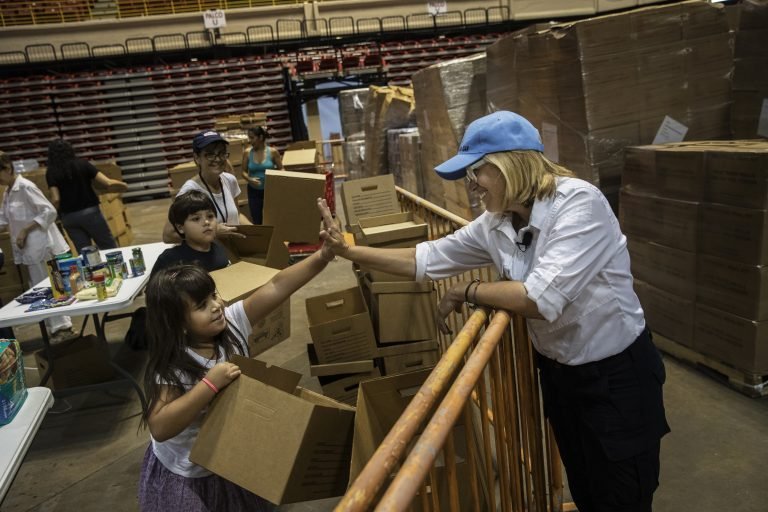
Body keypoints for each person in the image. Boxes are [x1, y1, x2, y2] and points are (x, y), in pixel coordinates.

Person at [318, 111, 670, 512]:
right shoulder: (497, 222)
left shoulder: (578, 204)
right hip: (561, 376)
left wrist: (470, 290)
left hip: (615, 376)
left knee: (624, 496)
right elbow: (428, 257)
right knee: (588, 489)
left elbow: (539, 299)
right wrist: (348, 250)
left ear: (510, 164)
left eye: (476, 172)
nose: (471, 185)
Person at [138, 241, 335, 511]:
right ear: (178, 325)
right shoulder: (173, 364)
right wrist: (209, 384)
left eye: (214, 296)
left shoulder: (232, 324)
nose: (217, 306)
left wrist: (322, 256)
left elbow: (277, 285)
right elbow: (160, 427)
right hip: (188, 467)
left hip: (229, 451)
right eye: (202, 305)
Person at [0, 151, 76, 342]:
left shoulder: (25, 187)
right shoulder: (8, 193)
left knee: (52, 286)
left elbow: (49, 211)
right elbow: (3, 219)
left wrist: (26, 229)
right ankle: (54, 327)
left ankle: (63, 327)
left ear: (8, 168)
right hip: (30, 250)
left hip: (43, 246)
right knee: (40, 288)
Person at [162, 130, 248, 244]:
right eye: (210, 154)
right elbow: (168, 235)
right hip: (209, 257)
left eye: (221, 153)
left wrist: (262, 232)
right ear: (197, 158)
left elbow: (236, 215)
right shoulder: (190, 190)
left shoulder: (230, 180)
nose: (217, 159)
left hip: (235, 252)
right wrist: (213, 232)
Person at [45, 139, 128, 253]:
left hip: (69, 218)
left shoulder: (51, 172)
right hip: (91, 214)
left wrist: (55, 217)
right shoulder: (83, 164)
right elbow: (107, 182)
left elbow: (56, 199)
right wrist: (123, 185)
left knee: (85, 254)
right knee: (108, 248)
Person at [151, 190, 229, 276]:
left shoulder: (220, 248)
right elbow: (153, 289)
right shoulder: (168, 259)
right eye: (196, 219)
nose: (206, 222)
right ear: (180, 228)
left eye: (210, 216)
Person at [241, 125, 282, 225]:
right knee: (257, 220)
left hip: (270, 190)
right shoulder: (247, 153)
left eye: (252, 137)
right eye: (248, 137)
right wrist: (249, 179)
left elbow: (281, 168)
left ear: (260, 137)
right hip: (254, 192)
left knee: (273, 219)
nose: (249, 140)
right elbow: (243, 172)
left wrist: (277, 176)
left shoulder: (273, 152)